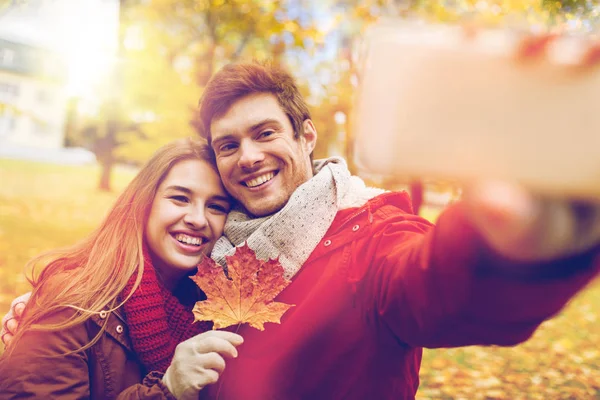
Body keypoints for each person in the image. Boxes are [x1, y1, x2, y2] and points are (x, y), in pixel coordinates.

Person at [4, 58, 600, 399]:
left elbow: (437, 287)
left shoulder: (371, 238)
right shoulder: (220, 256)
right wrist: (60, 299)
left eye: (266, 133)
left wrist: (516, 244)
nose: (249, 157)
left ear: (306, 136)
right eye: (228, 145)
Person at [0, 138, 243, 399]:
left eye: (216, 207)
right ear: (144, 203)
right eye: (180, 198)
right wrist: (168, 390)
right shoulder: (73, 305)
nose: (197, 219)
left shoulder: (219, 309)